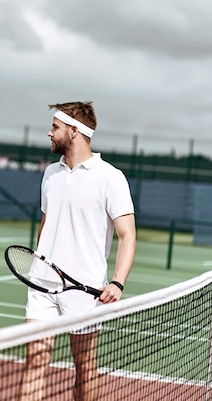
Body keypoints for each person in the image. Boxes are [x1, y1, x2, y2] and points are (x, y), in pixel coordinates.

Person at [18, 101, 136, 401]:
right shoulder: (50, 174)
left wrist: (117, 282)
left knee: (84, 366)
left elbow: (127, 235)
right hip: (42, 284)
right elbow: (46, 224)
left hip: (85, 290)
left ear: (74, 131)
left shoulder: (111, 178)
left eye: (55, 128)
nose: (49, 133)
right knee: (35, 360)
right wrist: (37, 266)